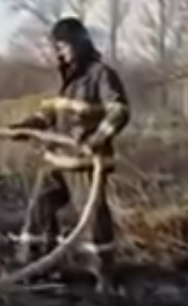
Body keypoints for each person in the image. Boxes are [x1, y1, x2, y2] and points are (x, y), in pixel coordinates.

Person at [9, 16, 131, 290]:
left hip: (86, 164)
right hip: (56, 161)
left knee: (93, 218)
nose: (60, 52)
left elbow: (119, 110)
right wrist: (27, 126)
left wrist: (96, 139)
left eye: (64, 45)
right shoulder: (66, 78)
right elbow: (50, 112)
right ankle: (35, 264)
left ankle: (102, 275)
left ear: (79, 43)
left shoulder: (100, 75)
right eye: (57, 47)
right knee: (40, 209)